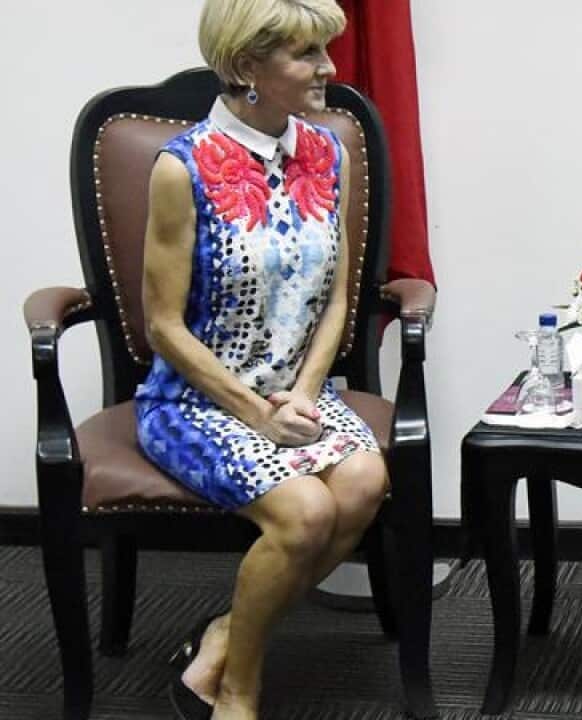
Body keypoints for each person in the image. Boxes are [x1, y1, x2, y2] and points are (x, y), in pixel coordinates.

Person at [135, 2, 386, 718]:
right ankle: (239, 689)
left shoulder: (325, 150)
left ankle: (223, 637)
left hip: (293, 394)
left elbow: (338, 296)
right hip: (196, 401)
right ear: (248, 67)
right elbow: (163, 326)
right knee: (306, 513)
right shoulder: (181, 169)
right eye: (306, 54)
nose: (329, 69)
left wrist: (303, 395)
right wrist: (256, 413)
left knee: (364, 482)